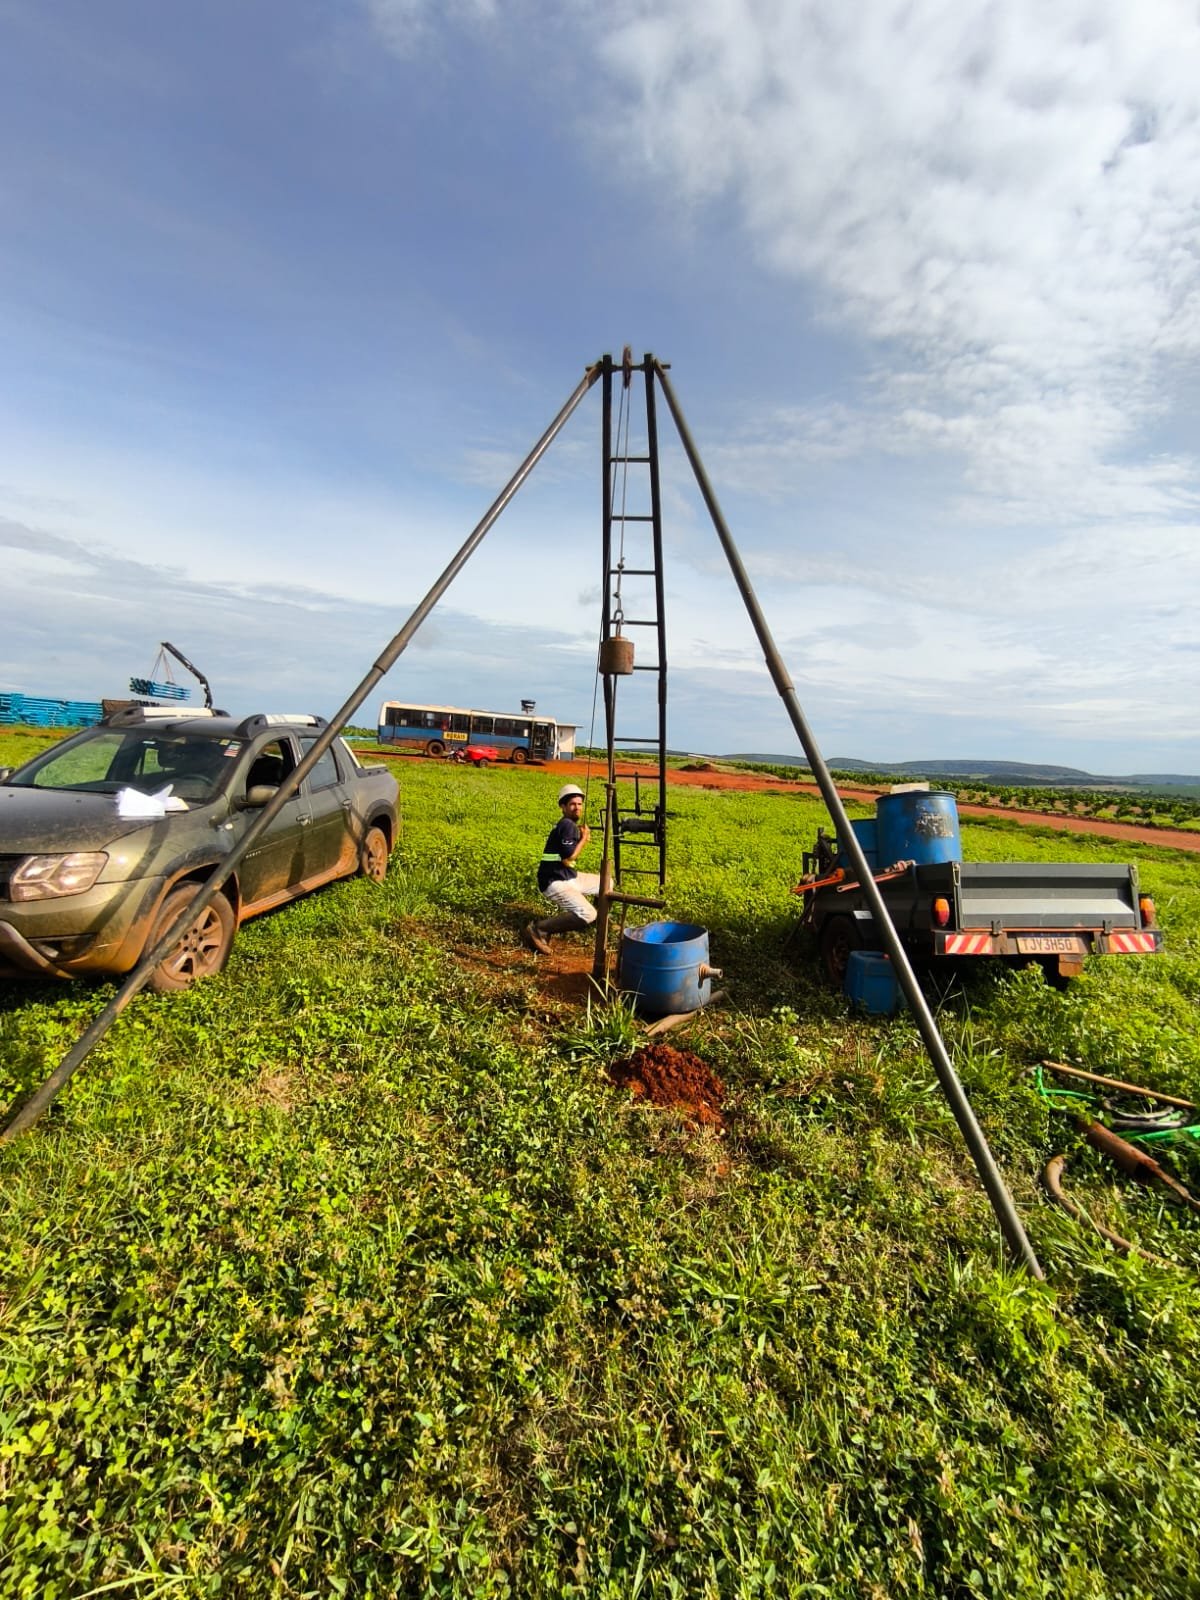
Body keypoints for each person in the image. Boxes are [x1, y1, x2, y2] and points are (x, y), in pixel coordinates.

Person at [523, 782, 600, 954]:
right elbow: (569, 857)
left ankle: (597, 920)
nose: (577, 808)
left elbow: (565, 860)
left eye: (579, 804)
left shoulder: (568, 825)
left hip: (567, 875)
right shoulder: (567, 825)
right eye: (572, 804)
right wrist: (584, 838)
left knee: (606, 883)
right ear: (563, 807)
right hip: (554, 881)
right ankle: (539, 929)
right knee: (587, 913)